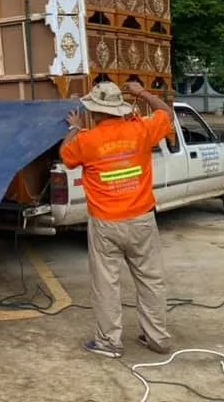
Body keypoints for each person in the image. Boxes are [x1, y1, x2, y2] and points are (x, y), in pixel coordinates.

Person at [59, 79, 175, 359]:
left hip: (106, 225)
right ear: (120, 109)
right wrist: (142, 93)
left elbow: (66, 156)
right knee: (151, 280)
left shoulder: (87, 140)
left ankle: (109, 343)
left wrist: (74, 127)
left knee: (106, 284)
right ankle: (157, 338)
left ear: (95, 112)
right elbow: (167, 114)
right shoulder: (141, 129)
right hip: (142, 220)